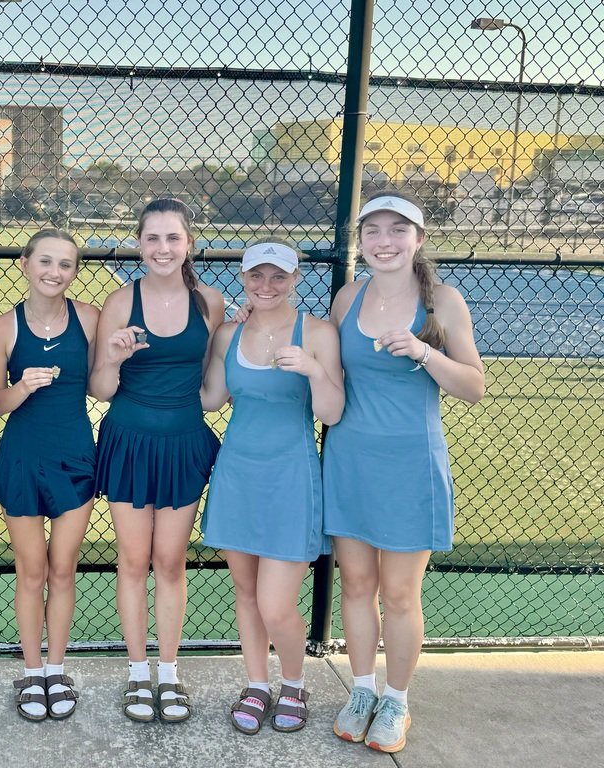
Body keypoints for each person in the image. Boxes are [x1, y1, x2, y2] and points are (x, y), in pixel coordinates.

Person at [324, 192, 485, 752]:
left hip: (411, 463)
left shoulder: (442, 300)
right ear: (361, 239)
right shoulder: (348, 297)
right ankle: (362, 689)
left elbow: (473, 387)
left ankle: (396, 699)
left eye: (398, 230)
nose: (384, 241)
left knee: (398, 593)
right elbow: (320, 358)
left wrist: (423, 352)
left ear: (418, 239)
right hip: (348, 462)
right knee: (357, 585)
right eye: (373, 231)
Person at [89, 198, 225, 723]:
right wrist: (114, 358)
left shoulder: (209, 302)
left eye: (173, 238)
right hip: (129, 441)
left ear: (189, 242)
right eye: (153, 238)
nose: (163, 249)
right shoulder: (121, 302)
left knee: (169, 562)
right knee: (132, 560)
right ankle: (137, 671)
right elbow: (102, 389)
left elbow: (213, 387)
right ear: (139, 243)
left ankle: (168, 672)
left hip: (183, 442)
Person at [200, 240, 344, 735]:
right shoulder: (227, 334)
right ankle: (257, 684)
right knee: (245, 592)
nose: (266, 286)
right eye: (256, 276)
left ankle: (295, 684)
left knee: (276, 603)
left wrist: (313, 369)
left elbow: (331, 411)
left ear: (296, 278)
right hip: (238, 473)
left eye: (277, 277)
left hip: (290, 477)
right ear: (243, 278)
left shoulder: (318, 333)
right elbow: (212, 399)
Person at [0, 229, 99, 722]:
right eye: (46, 262)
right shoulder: (0, 328)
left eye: (66, 265)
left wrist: (117, 353)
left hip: (75, 454)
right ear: (25, 264)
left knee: (63, 568)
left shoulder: (90, 319)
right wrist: (22, 387)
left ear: (75, 272)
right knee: (31, 571)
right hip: (23, 456)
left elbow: (102, 383)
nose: (55, 272)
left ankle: (57, 668)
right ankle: (32, 672)